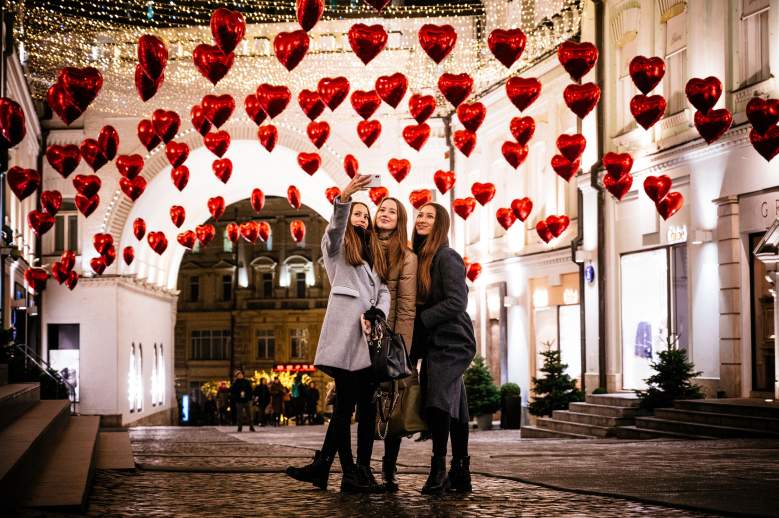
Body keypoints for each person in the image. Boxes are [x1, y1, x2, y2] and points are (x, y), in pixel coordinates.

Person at [286, 174, 390, 493]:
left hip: (368, 339)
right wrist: (345, 198)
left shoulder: (375, 255)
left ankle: (325, 466)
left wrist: (380, 312)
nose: (361, 219)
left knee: (350, 405)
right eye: (356, 214)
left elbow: (384, 288)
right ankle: (347, 472)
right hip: (345, 335)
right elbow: (334, 229)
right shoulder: (335, 249)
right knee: (345, 406)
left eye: (364, 215)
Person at [412, 202, 476, 494]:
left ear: (441, 224)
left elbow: (457, 302)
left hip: (453, 339)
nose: (422, 219)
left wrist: (423, 319)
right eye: (420, 215)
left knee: (437, 399)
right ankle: (461, 471)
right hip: (434, 340)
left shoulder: (447, 256)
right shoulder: (421, 257)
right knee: (454, 402)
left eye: (429, 216)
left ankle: (438, 469)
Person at [371, 197, 418, 492]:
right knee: (363, 402)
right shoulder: (362, 245)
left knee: (391, 399)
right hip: (360, 334)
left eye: (393, 211)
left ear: (400, 220)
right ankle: (360, 467)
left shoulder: (406, 256)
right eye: (382, 210)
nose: (386, 214)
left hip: (389, 337)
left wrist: (400, 348)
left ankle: (389, 465)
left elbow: (407, 307)